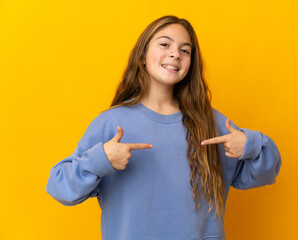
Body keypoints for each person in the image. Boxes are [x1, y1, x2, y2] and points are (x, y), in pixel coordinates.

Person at [46, 15, 282, 240]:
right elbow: (61, 188)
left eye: (185, 50)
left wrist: (249, 144)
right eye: (165, 44)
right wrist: (101, 160)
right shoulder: (111, 123)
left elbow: (265, 173)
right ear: (142, 56)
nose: (175, 54)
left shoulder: (211, 122)